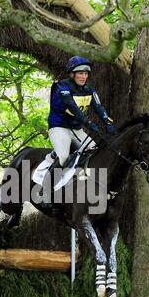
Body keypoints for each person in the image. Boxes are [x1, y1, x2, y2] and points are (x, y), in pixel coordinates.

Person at [40, 55, 116, 206]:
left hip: (76, 129)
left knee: (95, 151)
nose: (83, 76)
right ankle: (45, 191)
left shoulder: (89, 89)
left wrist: (108, 121)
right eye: (80, 73)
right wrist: (88, 123)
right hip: (59, 127)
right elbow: (74, 109)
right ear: (72, 74)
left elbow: (98, 107)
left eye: (86, 73)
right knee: (63, 157)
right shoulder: (62, 88)